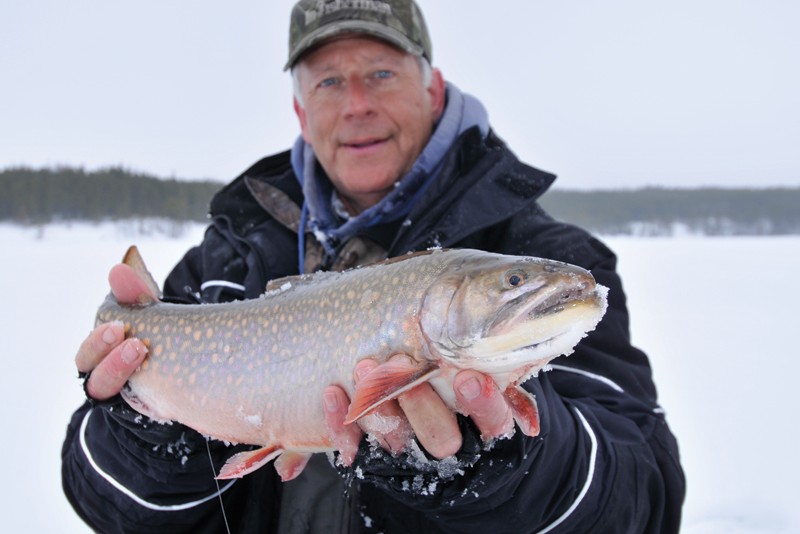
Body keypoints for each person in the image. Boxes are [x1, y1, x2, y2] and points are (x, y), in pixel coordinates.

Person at [62, 1, 685, 532]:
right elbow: (101, 497)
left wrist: (512, 467)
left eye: (381, 73)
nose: (355, 104)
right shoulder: (224, 263)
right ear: (303, 112)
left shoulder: (550, 257)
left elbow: (646, 496)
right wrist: (147, 437)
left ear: (433, 89)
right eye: (328, 82)